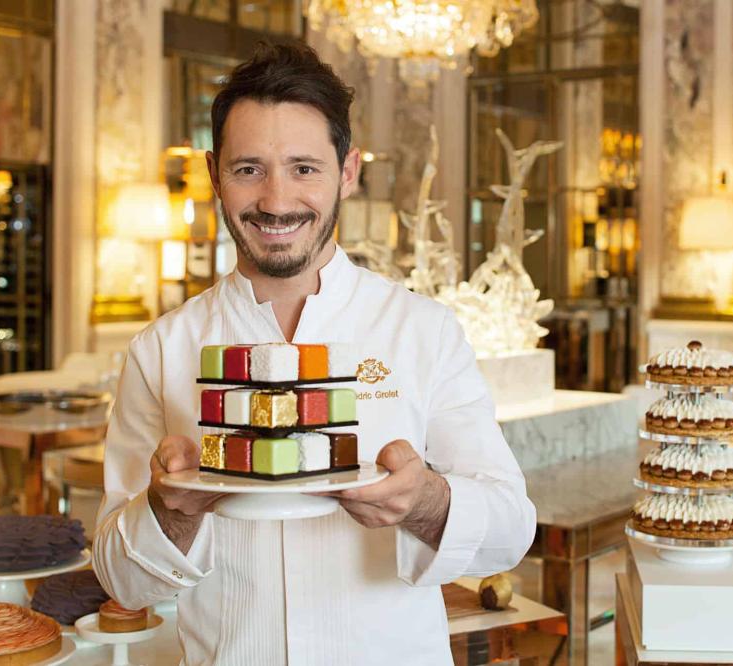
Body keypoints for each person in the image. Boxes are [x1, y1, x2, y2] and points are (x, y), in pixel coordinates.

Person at [92, 40, 536, 665]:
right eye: (249, 169)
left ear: (347, 172)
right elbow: (121, 579)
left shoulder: (423, 330)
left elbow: (512, 528)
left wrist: (427, 501)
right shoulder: (163, 349)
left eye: (304, 168)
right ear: (215, 172)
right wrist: (172, 512)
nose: (276, 200)